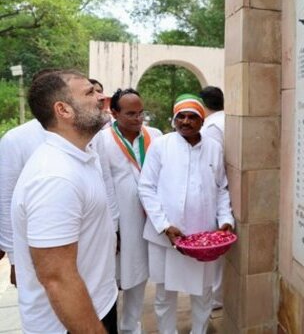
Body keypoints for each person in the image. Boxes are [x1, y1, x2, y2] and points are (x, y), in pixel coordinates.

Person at [11, 70, 118, 333]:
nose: (102, 97)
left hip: (98, 304)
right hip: (70, 323)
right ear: (64, 110)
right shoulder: (55, 177)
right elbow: (58, 279)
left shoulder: (83, 155)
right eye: (90, 92)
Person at [138, 94, 234, 334]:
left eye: (193, 117)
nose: (186, 122)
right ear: (174, 120)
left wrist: (225, 220)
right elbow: (146, 187)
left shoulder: (213, 148)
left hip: (202, 237)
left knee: (203, 293)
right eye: (181, 116)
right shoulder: (161, 145)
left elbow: (221, 187)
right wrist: (163, 224)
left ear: (202, 121)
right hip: (165, 236)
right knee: (164, 293)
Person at [92, 88, 162, 334]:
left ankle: (132, 327)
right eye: (131, 113)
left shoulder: (154, 135)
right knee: (114, 276)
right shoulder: (102, 140)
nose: (137, 118)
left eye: (140, 112)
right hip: (120, 219)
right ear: (114, 112)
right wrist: (114, 226)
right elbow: (105, 183)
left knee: (140, 274)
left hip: (150, 217)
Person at [0, 69, 59, 286]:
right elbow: (6, 201)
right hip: (33, 247)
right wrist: (14, 259)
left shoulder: (82, 136)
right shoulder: (15, 139)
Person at [198, 85, 226, 309]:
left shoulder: (211, 126)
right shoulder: (227, 119)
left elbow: (211, 164)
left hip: (220, 190)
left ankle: (216, 297)